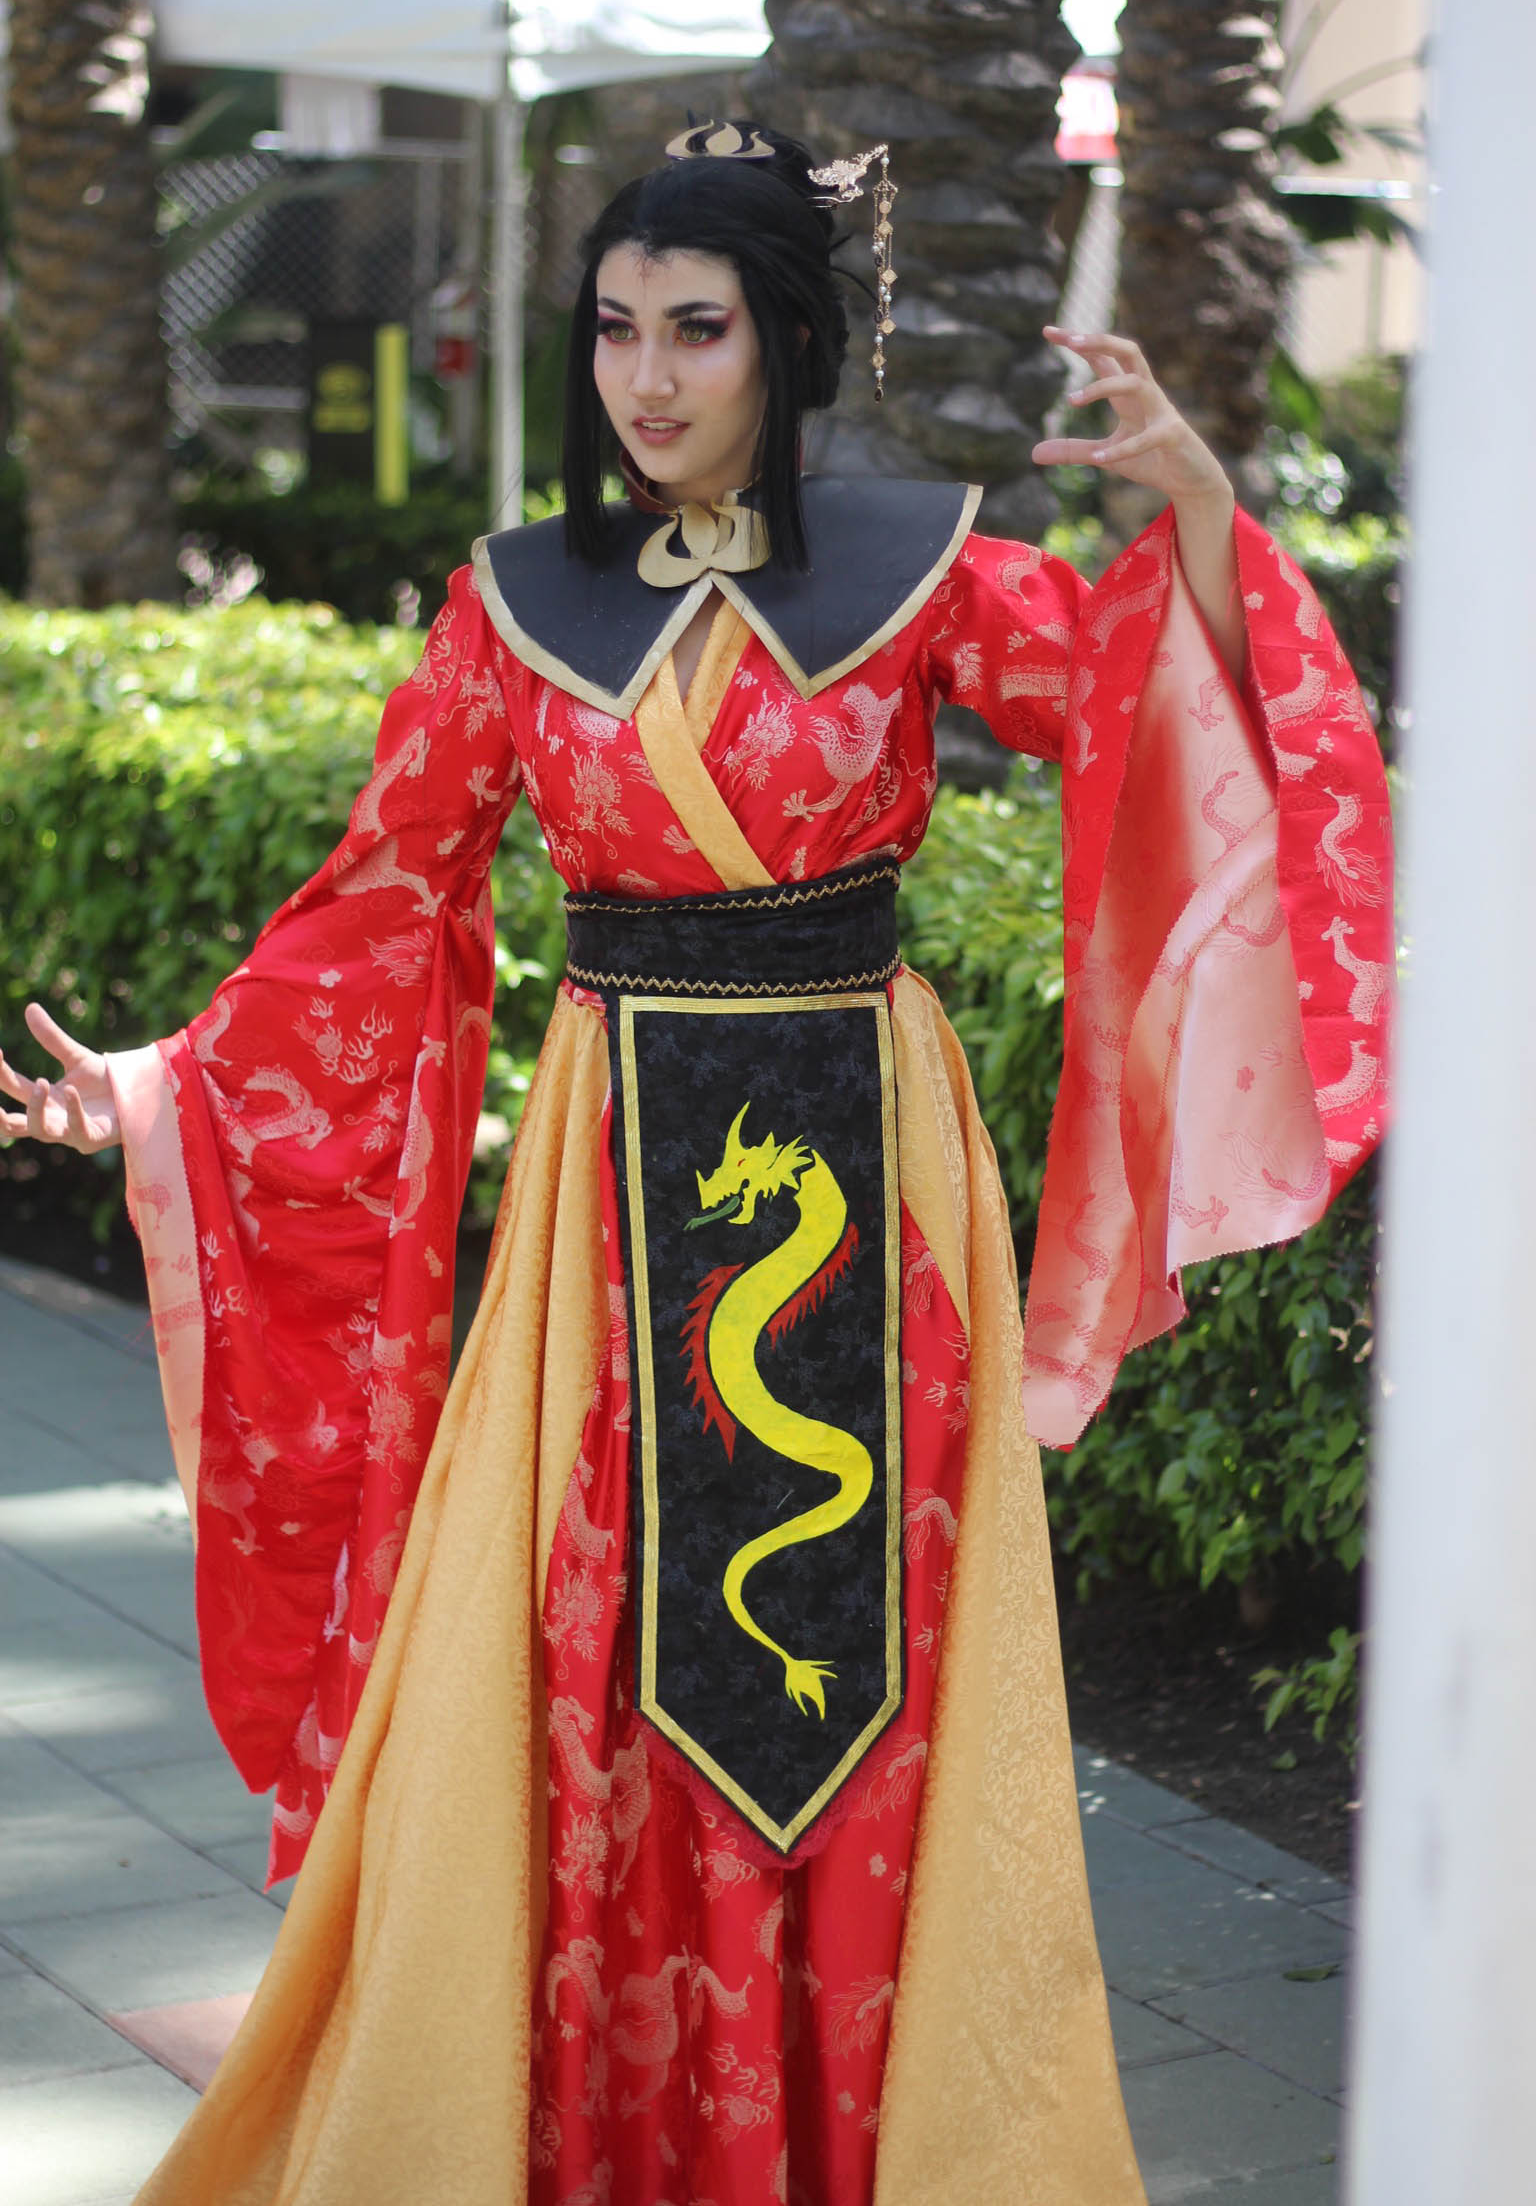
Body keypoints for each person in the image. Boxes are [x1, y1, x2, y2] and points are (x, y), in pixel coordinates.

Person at [0, 121, 1390, 2206]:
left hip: (872, 1171)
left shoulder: (926, 574)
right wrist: (172, 1085)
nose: (647, 379)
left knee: (878, 1646)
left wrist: (1196, 503)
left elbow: (1153, 714)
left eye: (699, 331)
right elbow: (386, 891)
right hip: (608, 1180)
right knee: (591, 1643)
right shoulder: (516, 608)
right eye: (617, 330)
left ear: (789, 342)